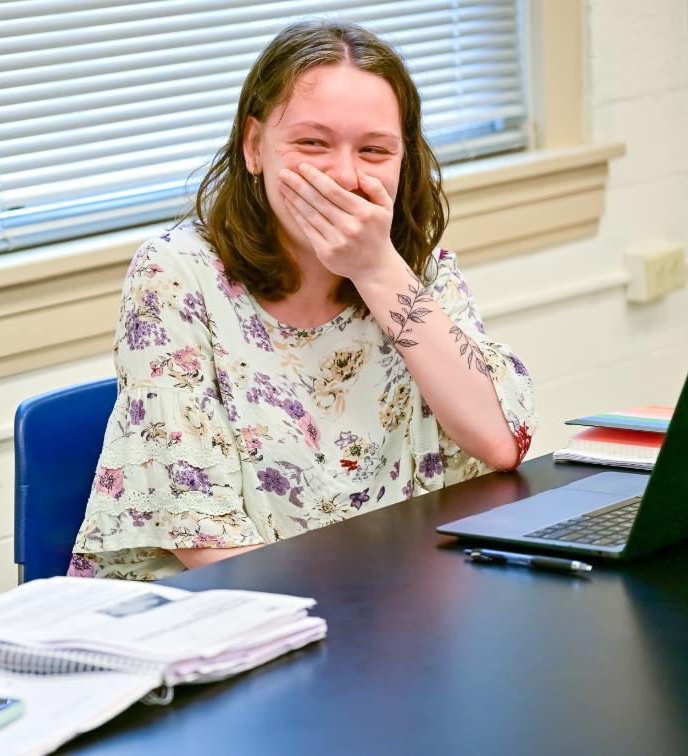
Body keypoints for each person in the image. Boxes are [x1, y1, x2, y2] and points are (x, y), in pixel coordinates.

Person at [69, 21, 537, 581]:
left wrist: (376, 269)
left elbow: (501, 442)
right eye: (312, 144)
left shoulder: (413, 270)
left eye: (374, 150)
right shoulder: (175, 273)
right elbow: (206, 542)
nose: (344, 176)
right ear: (254, 147)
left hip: (387, 595)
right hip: (224, 603)